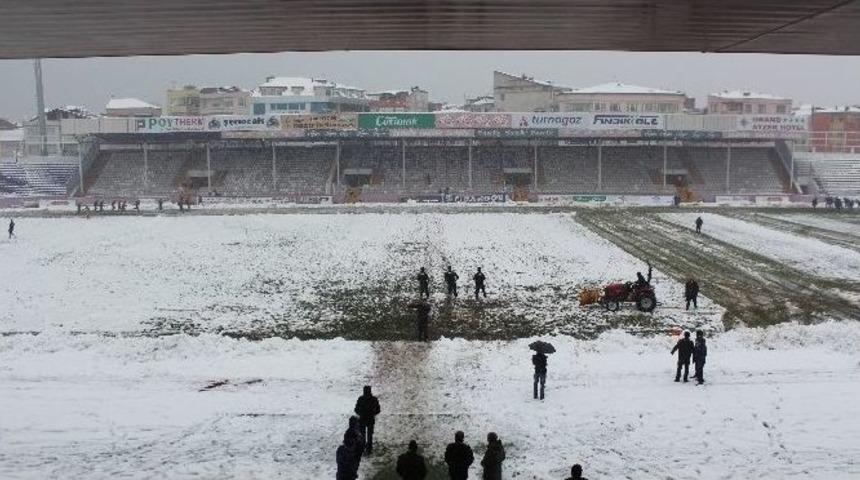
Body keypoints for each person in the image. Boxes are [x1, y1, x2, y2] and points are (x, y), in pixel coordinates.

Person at [354, 385, 381, 455]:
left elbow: (356, 409)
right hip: (370, 420)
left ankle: (362, 448)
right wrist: (373, 413)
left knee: (363, 435)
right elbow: (378, 410)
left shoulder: (360, 399)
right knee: (369, 436)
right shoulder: (374, 399)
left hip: (362, 420)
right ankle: (369, 449)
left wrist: (361, 413)